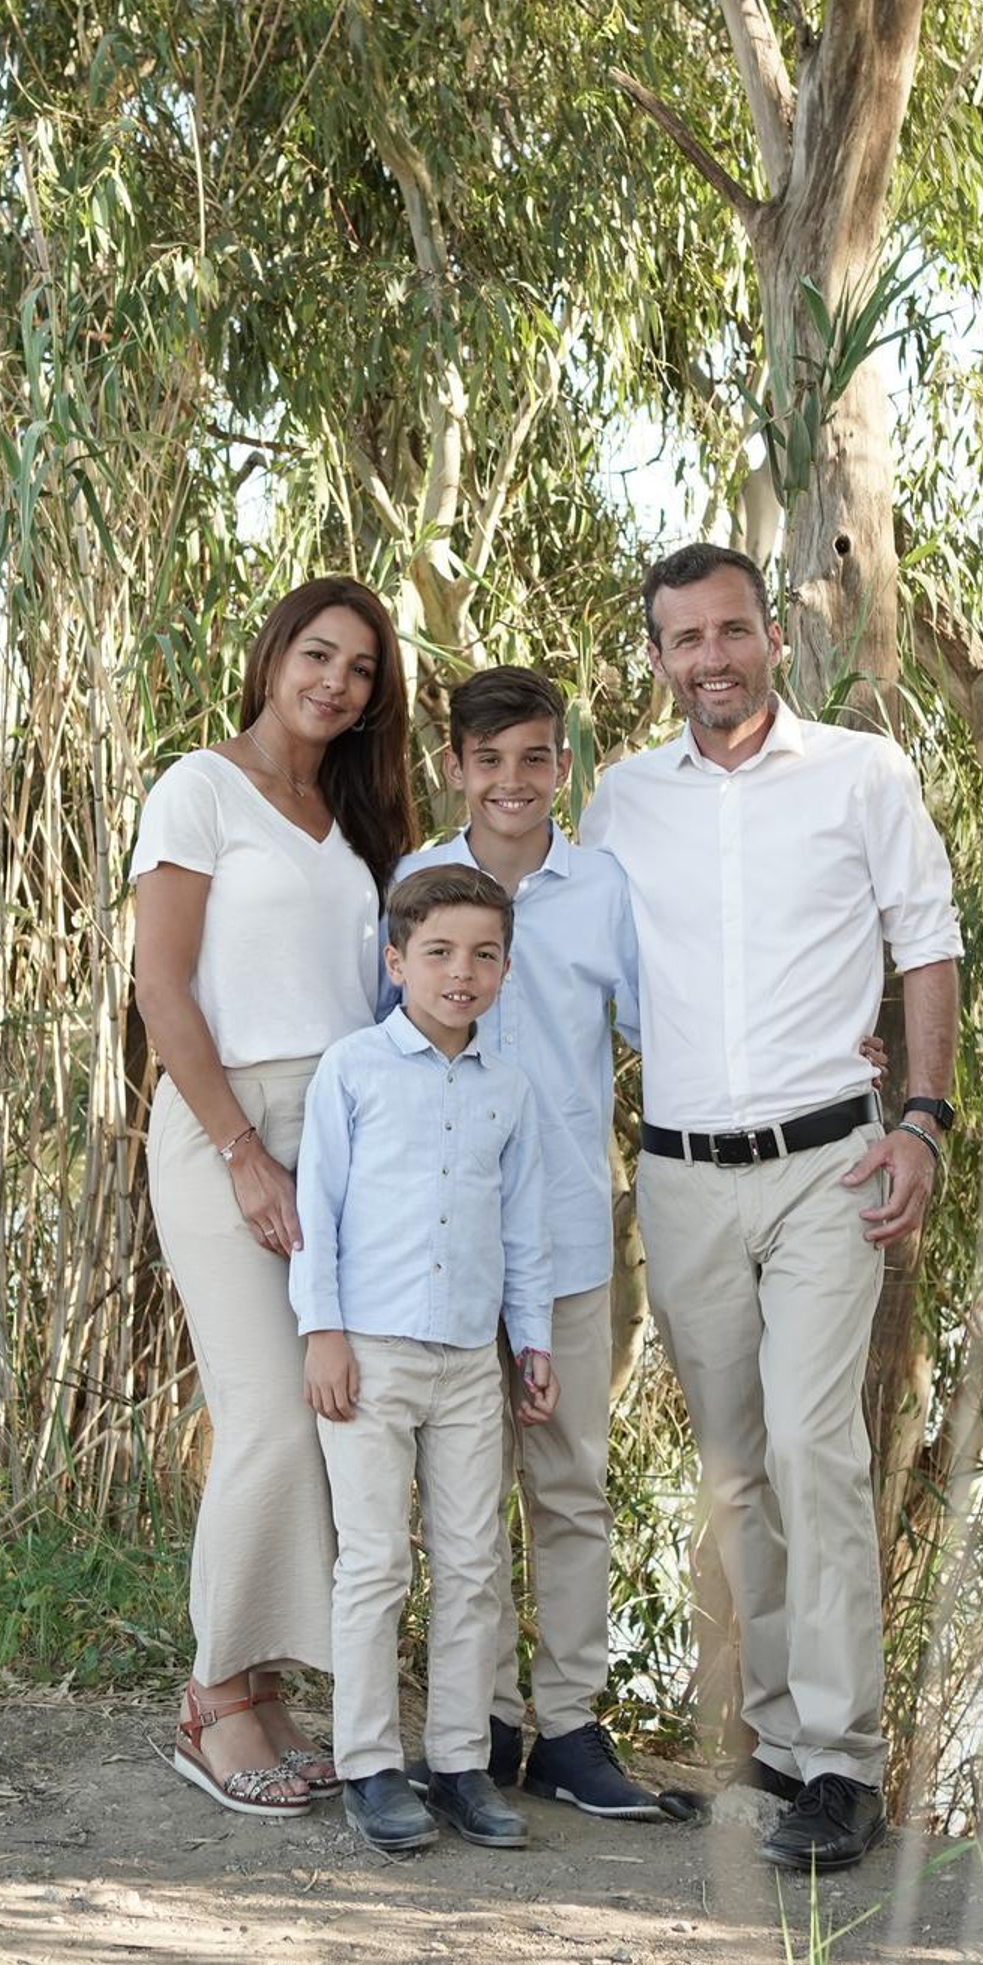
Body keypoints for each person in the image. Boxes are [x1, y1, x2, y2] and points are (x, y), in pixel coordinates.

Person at [582, 544, 962, 1875]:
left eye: (732, 631)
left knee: (814, 1447)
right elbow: (580, 960)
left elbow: (927, 935)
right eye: (685, 640)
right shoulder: (620, 800)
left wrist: (921, 1116)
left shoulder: (861, 773)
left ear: (772, 640)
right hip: (681, 1174)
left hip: (828, 1167)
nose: (713, 660)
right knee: (738, 1475)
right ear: (657, 659)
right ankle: (780, 1753)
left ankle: (847, 1769)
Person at [131, 576, 417, 1817]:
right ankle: (209, 1700)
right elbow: (163, 990)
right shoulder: (198, 791)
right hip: (223, 1123)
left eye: (359, 670)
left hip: (342, 1128)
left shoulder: (352, 820)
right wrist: (244, 1148)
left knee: (326, 1402)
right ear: (272, 655)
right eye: (318, 654)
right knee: (261, 1406)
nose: (336, 683)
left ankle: (265, 1688)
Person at [388, 667, 676, 1821]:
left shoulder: (600, 888)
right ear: (455, 766)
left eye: (536, 758)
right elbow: (390, 1051)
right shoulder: (416, 882)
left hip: (563, 1232)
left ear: (566, 767)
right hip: (447, 1246)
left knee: (569, 1484)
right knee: (460, 1491)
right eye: (490, 759)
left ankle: (567, 1722)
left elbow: (662, 1033)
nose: (513, 782)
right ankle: (480, 1718)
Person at [293, 864, 559, 1854]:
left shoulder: (509, 1088)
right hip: (367, 1353)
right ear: (395, 959)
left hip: (466, 1361)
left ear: (503, 967)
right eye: (439, 952)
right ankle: (368, 1764)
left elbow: (522, 1226)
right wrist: (322, 1330)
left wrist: (530, 1340)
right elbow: (315, 1211)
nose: (463, 972)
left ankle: (457, 1762)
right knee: (372, 1563)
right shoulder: (354, 1070)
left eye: (484, 954)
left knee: (473, 1562)